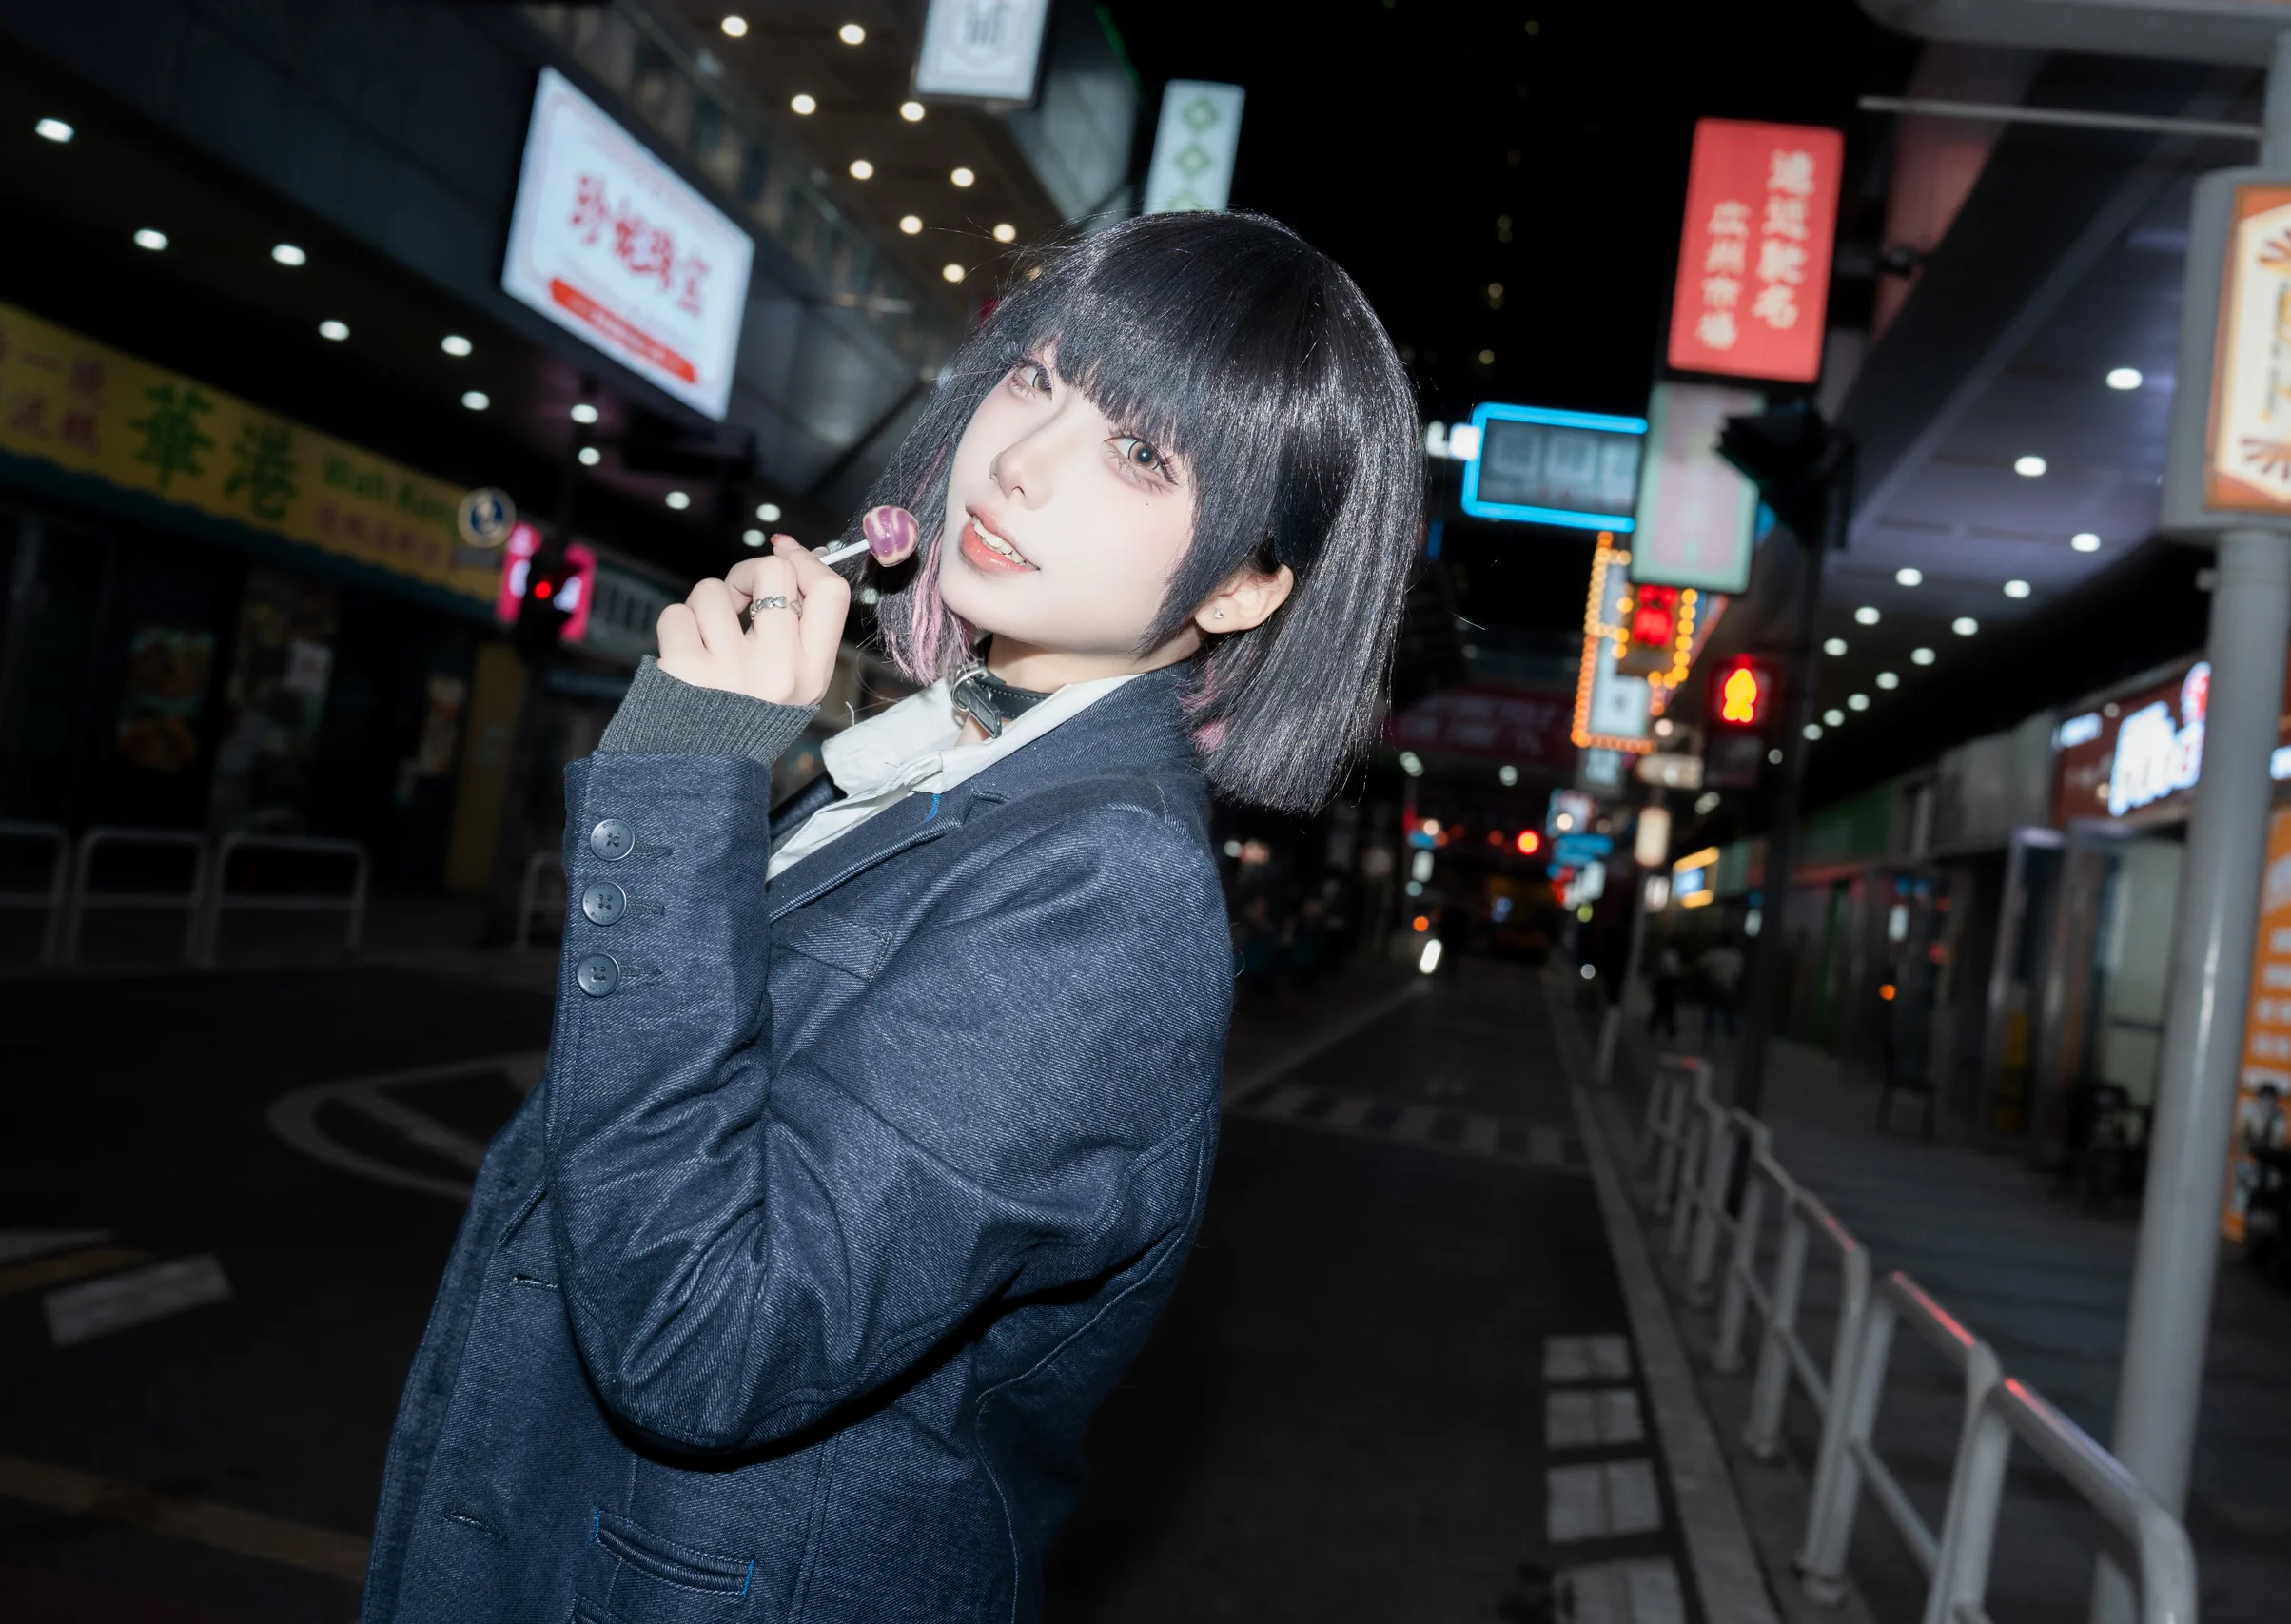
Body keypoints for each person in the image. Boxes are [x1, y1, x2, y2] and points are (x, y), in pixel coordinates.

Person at [361, 212, 1422, 1624]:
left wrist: (683, 779)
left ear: (1242, 584)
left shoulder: (1109, 890)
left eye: (1139, 453)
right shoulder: (971, 751)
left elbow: (708, 1341)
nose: (1022, 458)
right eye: (1036, 377)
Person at [1698, 937, 1745, 1043]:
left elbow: (1701, 963)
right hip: (1729, 986)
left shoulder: (1715, 953)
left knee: (1711, 1011)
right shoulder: (1736, 955)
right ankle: (1731, 1034)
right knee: (1728, 1012)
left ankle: (1709, 1034)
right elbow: (1739, 972)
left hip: (1714, 984)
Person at [1647, 942, 1683, 1041]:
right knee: (1667, 1006)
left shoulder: (1667, 954)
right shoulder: (1671, 954)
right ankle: (1668, 1029)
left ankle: (1655, 1027)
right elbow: (1672, 969)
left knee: (1661, 1006)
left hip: (1665, 981)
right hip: (1668, 981)